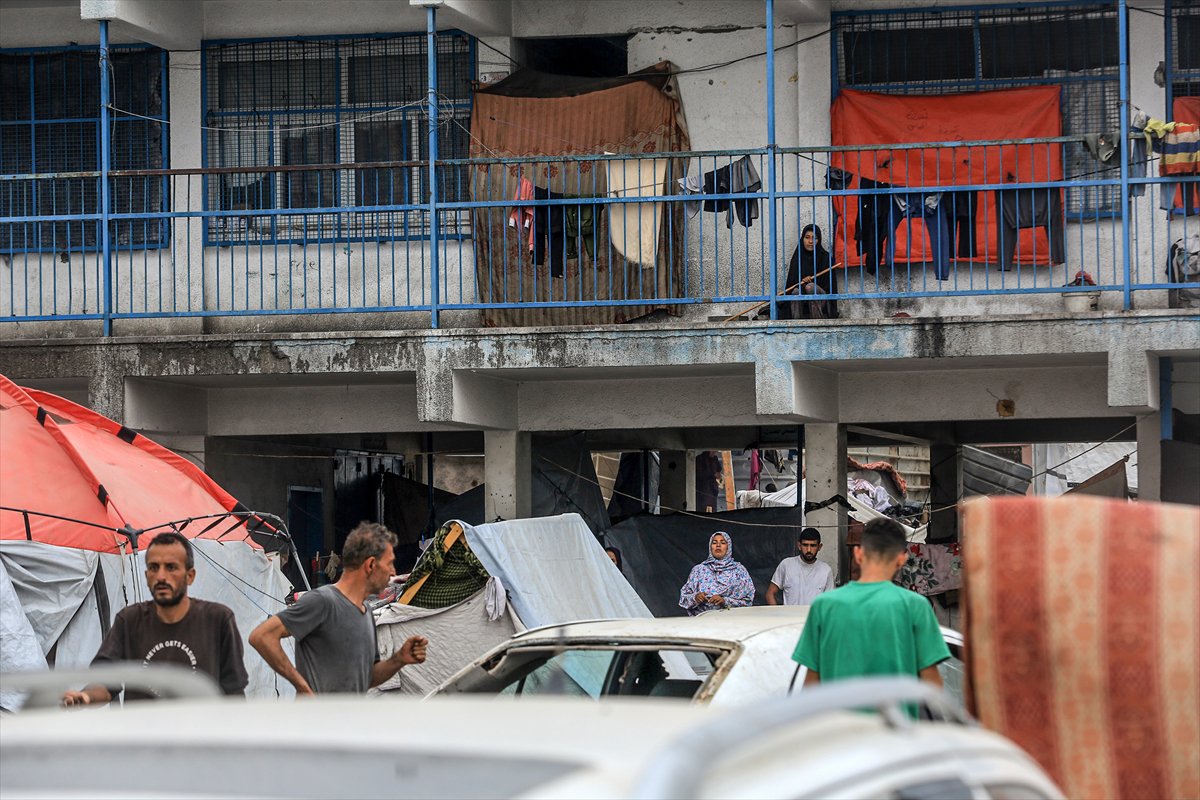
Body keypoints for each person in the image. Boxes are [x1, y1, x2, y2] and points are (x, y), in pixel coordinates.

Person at [62, 532, 248, 705]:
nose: (161, 576)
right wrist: (84, 697)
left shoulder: (218, 620)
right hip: (144, 737)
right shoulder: (129, 621)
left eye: (171, 567)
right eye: (153, 568)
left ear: (190, 576)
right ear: (146, 575)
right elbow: (106, 681)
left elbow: (233, 692)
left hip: (200, 738)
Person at [250, 522, 427, 694]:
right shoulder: (323, 601)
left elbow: (367, 678)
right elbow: (262, 636)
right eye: (389, 563)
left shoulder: (364, 611)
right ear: (371, 565)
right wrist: (303, 687)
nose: (393, 572)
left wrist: (399, 659)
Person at [792, 518, 949, 689]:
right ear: (902, 559)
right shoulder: (916, 607)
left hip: (837, 716)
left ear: (858, 554)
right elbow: (932, 686)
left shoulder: (823, 606)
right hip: (894, 717)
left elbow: (811, 685)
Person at [678, 532, 755, 615]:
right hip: (702, 623)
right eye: (714, 543)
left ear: (728, 547)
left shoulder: (739, 570)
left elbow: (748, 601)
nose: (718, 545)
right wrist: (695, 598)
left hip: (732, 622)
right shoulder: (699, 570)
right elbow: (684, 598)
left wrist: (724, 601)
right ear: (710, 547)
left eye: (723, 542)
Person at [780, 224, 839, 320]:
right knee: (795, 291)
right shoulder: (798, 258)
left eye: (814, 238)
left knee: (811, 287)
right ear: (802, 239)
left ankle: (817, 322)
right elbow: (791, 285)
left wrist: (812, 283)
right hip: (802, 301)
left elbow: (830, 287)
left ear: (818, 240)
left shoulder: (825, 258)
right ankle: (796, 325)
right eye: (807, 237)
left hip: (822, 301)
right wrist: (802, 282)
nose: (810, 241)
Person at [766, 527, 835, 606]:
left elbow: (830, 602)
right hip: (790, 618)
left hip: (814, 618)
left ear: (819, 547)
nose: (809, 550)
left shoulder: (826, 570)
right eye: (805, 545)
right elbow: (770, 594)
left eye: (813, 545)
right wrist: (778, 616)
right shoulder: (786, 565)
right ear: (799, 545)